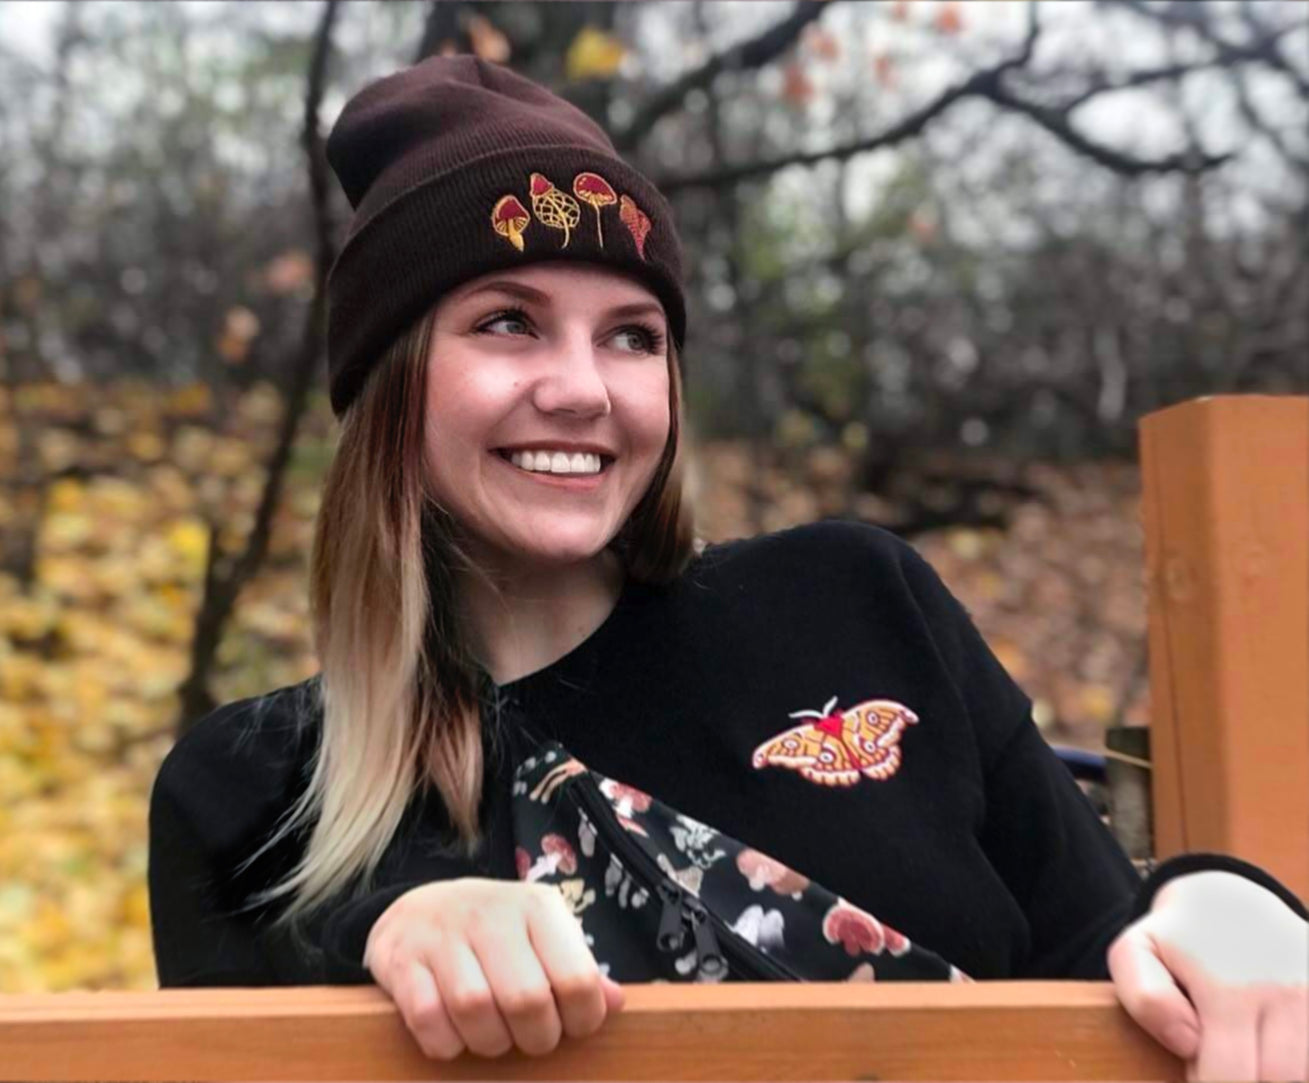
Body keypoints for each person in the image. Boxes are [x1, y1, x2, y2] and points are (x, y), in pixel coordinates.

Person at [149, 55, 1309, 1076]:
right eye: (507, 321)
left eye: (631, 336)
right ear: (389, 381)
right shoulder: (250, 788)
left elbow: (1101, 947)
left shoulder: (850, 604)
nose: (582, 387)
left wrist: (1219, 901)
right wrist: (390, 937)